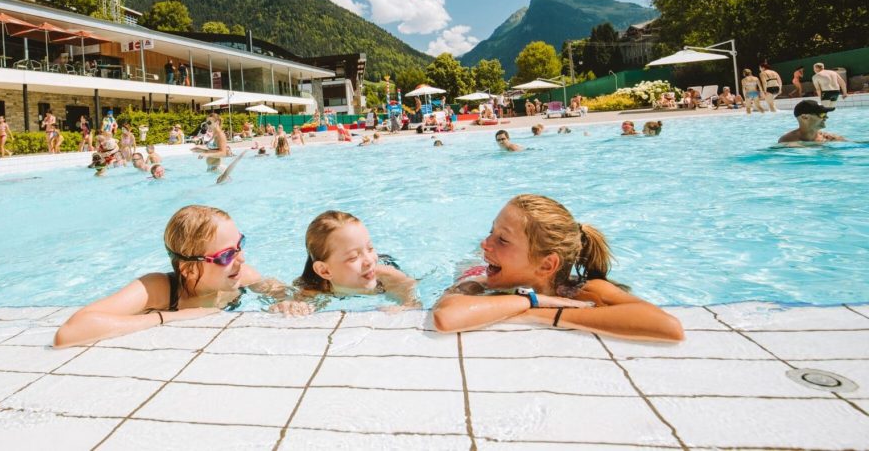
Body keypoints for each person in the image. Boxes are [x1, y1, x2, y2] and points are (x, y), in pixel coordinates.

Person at [432, 195, 684, 341]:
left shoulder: (583, 290)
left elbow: (669, 327)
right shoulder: (477, 283)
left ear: (546, 265)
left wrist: (540, 313)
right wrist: (532, 301)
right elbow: (446, 317)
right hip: (479, 270)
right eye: (491, 232)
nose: (485, 243)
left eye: (502, 239)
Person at [54, 205, 292, 347]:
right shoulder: (159, 289)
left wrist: (286, 303)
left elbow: (282, 293)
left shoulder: (242, 278)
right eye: (226, 255)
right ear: (188, 269)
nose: (241, 258)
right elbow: (69, 332)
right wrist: (168, 317)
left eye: (240, 245)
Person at [271, 210, 419, 312]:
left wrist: (407, 306)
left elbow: (411, 290)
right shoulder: (313, 288)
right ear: (325, 271)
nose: (369, 261)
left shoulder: (387, 276)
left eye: (370, 248)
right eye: (354, 257)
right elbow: (292, 303)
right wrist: (289, 306)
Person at [777, 100, 847, 145]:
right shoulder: (788, 141)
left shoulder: (829, 138)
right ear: (804, 117)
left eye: (825, 114)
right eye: (822, 114)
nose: (826, 117)